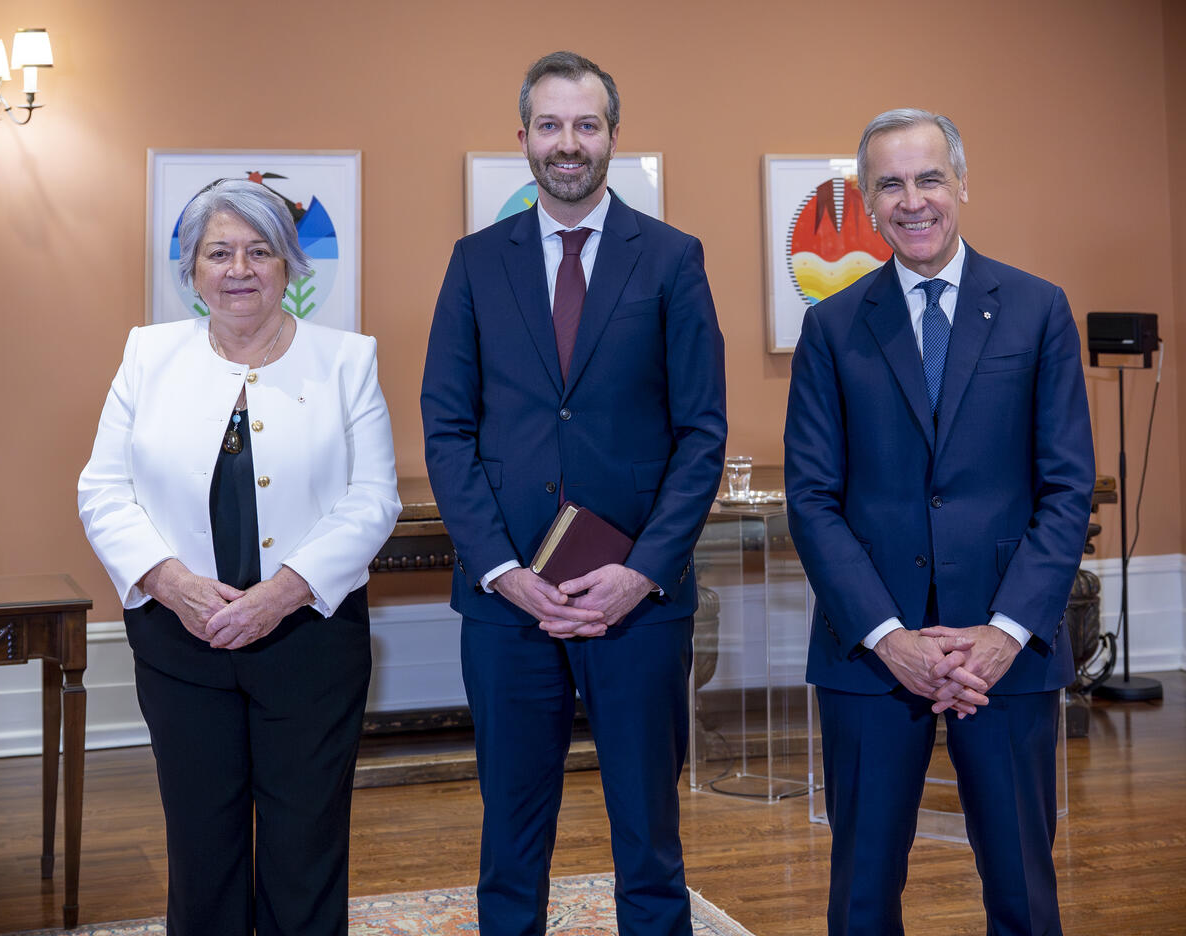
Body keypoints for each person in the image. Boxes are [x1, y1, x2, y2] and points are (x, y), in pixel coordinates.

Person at [420, 51, 726, 936]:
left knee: (649, 835)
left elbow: (701, 432)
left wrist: (642, 572)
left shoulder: (671, 259)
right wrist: (502, 570)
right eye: (549, 125)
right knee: (511, 838)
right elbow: (448, 430)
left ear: (612, 138)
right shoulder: (475, 263)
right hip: (509, 604)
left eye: (586, 125)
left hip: (636, 601)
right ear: (523, 139)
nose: (568, 143)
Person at [783, 109, 1094, 936]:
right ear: (868, 200)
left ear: (962, 184)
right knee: (861, 898)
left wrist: (1002, 634)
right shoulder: (832, 328)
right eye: (890, 184)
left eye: (929, 179)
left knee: (1024, 893)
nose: (912, 201)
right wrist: (892, 638)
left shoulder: (1037, 310)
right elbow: (811, 498)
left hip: (1008, 659)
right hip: (872, 659)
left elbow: (1066, 490)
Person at [78, 178, 401, 936]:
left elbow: (372, 499)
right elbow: (103, 489)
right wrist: (173, 583)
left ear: (289, 266)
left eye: (260, 251)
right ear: (191, 270)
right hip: (179, 641)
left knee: (305, 845)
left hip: (309, 641)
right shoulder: (148, 355)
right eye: (218, 252)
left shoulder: (347, 361)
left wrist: (283, 592)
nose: (239, 269)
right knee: (202, 844)